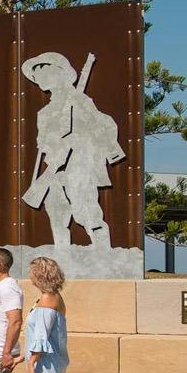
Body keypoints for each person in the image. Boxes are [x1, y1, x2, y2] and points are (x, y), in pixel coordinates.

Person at [21, 52, 124, 248]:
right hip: (55, 165)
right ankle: (62, 255)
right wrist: (50, 146)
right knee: (57, 211)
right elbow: (41, 143)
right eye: (37, 74)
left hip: (78, 163)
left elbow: (102, 126)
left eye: (44, 71)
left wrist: (78, 139)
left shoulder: (79, 100)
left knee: (85, 210)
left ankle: (104, 253)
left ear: (60, 73)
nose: (39, 77)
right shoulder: (44, 113)